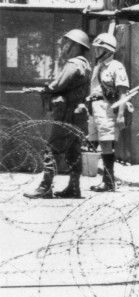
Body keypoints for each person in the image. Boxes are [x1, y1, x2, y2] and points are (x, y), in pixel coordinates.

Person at [25, 29, 93, 199]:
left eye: (68, 43)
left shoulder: (73, 63)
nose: (65, 46)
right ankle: (74, 188)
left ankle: (45, 187)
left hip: (67, 114)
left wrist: (46, 89)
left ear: (76, 45)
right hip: (78, 114)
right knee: (73, 151)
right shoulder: (85, 63)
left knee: (52, 149)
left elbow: (59, 84)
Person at [85, 33, 129, 193]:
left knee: (106, 142)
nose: (97, 51)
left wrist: (121, 114)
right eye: (97, 48)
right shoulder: (98, 66)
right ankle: (107, 179)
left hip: (107, 107)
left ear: (108, 49)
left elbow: (123, 92)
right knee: (98, 141)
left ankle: (109, 181)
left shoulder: (116, 66)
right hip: (95, 107)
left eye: (100, 48)